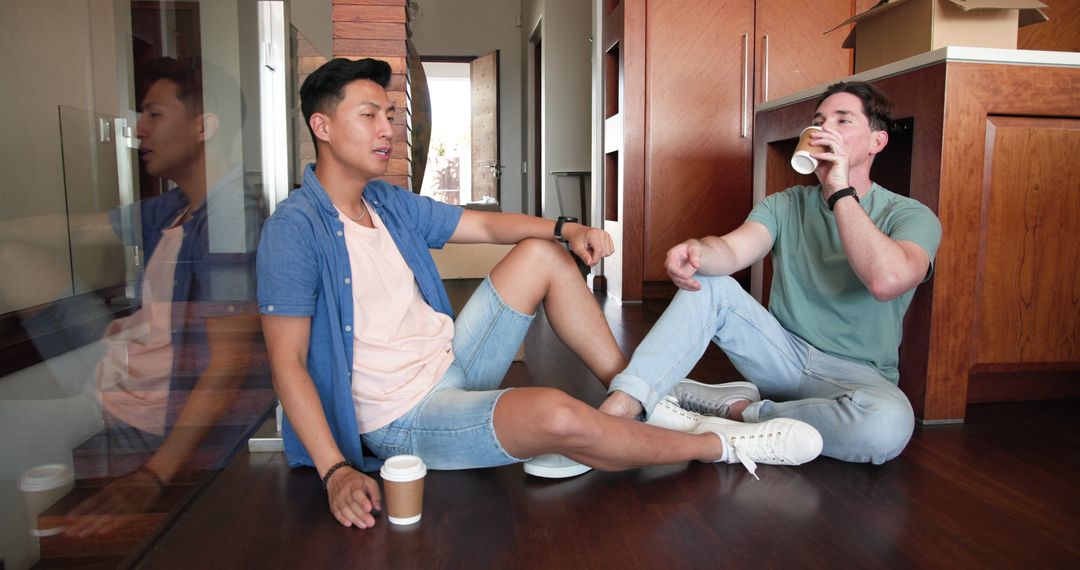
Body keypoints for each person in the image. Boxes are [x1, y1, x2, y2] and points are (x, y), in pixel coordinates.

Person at [256, 58, 824, 530]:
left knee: (541, 255)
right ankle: (720, 444)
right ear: (322, 127)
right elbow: (289, 368)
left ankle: (643, 396)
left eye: (389, 114)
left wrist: (564, 229)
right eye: (369, 115)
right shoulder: (295, 229)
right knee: (555, 413)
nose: (387, 128)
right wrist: (335, 472)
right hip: (405, 417)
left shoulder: (384, 202)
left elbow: (482, 226)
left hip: (452, 361)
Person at [599, 81, 942, 465]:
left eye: (843, 121)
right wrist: (699, 252)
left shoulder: (911, 216)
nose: (825, 129)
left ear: (877, 142)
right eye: (819, 120)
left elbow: (886, 281)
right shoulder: (784, 204)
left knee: (888, 424)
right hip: (781, 355)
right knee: (711, 285)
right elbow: (731, 250)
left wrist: (840, 190)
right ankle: (610, 422)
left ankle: (739, 414)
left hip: (856, 376)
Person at [1, 57, 266, 537]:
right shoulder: (177, 204)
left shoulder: (230, 216)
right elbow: (79, 229)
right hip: (118, 356)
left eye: (154, 114)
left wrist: (153, 475)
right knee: (12, 257)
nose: (139, 130)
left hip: (146, 410)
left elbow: (228, 363)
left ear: (203, 125)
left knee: (6, 438)